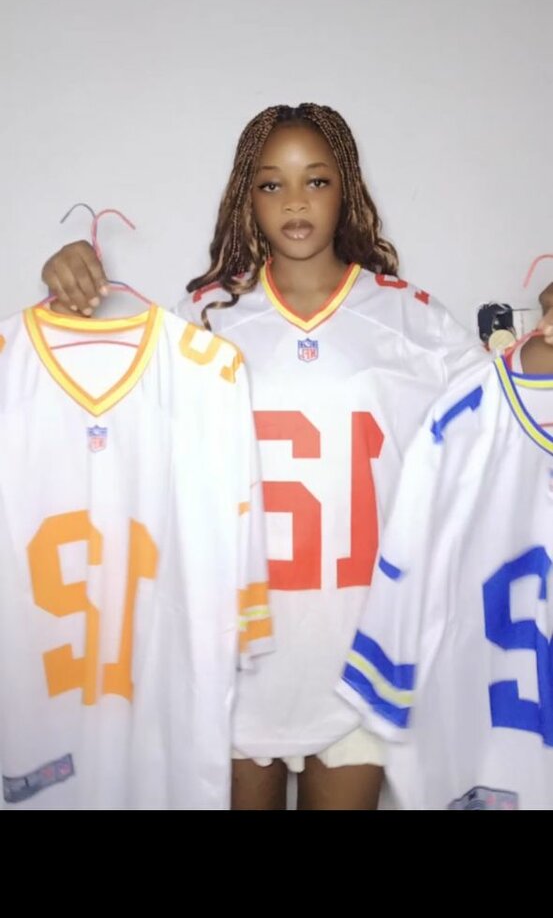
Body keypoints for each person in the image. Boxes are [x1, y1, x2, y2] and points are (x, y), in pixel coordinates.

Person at [41, 102, 553, 810]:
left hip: (358, 658)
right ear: (245, 198)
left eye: (315, 180)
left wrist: (543, 339)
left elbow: (501, 418)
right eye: (270, 184)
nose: (294, 201)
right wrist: (66, 301)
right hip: (234, 660)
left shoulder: (412, 320)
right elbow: (102, 429)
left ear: (346, 189)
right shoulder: (201, 321)